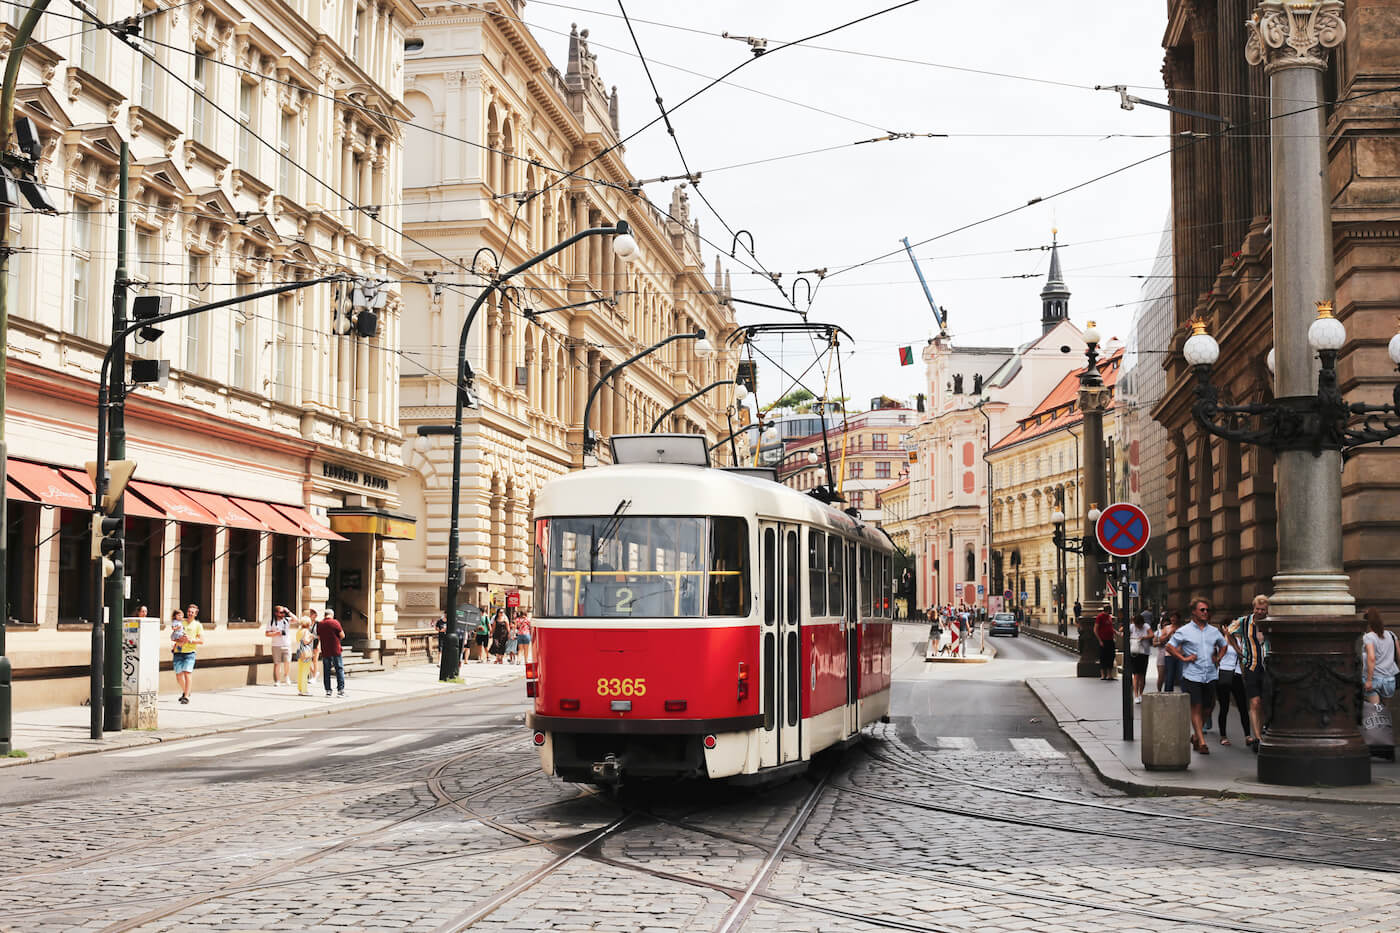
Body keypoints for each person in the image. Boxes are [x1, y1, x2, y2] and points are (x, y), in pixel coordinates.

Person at [1167, 597, 1228, 754]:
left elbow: (1224, 645)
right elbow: (1170, 646)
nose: (1205, 612)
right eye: (1202, 610)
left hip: (1210, 675)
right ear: (1194, 612)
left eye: (1207, 610)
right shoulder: (1184, 631)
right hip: (1192, 675)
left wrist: (1218, 658)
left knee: (1208, 708)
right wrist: (1183, 658)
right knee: (1197, 707)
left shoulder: (1213, 631)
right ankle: (1202, 742)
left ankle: (1195, 736)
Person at [1228, 595, 1269, 753]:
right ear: (1253, 608)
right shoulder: (1244, 622)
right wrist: (1238, 650)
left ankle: (1261, 730)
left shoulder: (1270, 621)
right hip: (1251, 666)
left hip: (1267, 667)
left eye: (1263, 609)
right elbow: (1228, 631)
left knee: (1264, 702)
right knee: (1255, 702)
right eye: (1257, 609)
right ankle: (1257, 737)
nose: (1260, 612)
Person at [1214, 616, 1250, 746]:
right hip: (1223, 674)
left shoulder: (1238, 640)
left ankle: (1247, 735)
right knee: (1224, 707)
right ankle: (1223, 736)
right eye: (1231, 625)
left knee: (1242, 706)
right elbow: (1215, 658)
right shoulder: (1218, 640)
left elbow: (1241, 654)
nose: (1234, 628)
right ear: (1224, 627)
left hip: (1236, 674)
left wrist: (1231, 638)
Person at [1362, 607, 1398, 706]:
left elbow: (1371, 658)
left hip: (1374, 679)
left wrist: (1369, 680)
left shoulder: (1368, 637)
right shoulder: (1391, 635)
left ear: (1367, 623)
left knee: (1375, 709)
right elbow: (1398, 655)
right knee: (1385, 710)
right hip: (1389, 679)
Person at [171, 607, 203, 704]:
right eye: (189, 611)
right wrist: (179, 640)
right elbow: (173, 636)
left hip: (190, 652)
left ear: (195, 614)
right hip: (178, 651)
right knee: (178, 675)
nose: (190, 613)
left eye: (192, 612)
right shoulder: (181, 622)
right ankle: (187, 691)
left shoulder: (198, 625)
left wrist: (190, 640)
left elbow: (201, 641)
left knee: (187, 673)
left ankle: (186, 697)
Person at [317, 609, 347, 697]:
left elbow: (319, 637)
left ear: (325, 615)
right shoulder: (335, 622)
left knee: (326, 671)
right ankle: (340, 691)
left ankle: (328, 691)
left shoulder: (320, 624)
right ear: (332, 615)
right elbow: (342, 635)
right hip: (335, 649)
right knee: (339, 669)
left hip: (325, 650)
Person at [265, 605, 293, 686]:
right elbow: (267, 634)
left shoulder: (286, 620)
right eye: (281, 612)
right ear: (276, 613)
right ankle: (277, 680)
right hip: (276, 645)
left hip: (287, 644)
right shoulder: (271, 622)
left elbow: (297, 620)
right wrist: (276, 633)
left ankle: (287, 676)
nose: (283, 614)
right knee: (277, 663)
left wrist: (288, 611)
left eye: (284, 612)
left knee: (287, 662)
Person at [1155, 610, 1182, 693]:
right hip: (1169, 655)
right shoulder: (1167, 628)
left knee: (1181, 675)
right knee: (1169, 676)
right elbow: (1161, 640)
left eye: (1175, 617)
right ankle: (1168, 694)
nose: (1173, 619)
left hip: (1181, 654)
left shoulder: (1183, 628)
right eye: (1172, 617)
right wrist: (1170, 633)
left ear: (1178, 619)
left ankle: (1184, 693)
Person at [1129, 611, 1153, 703]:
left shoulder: (1146, 626)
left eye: (1140, 625)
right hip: (1135, 652)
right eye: (1137, 625)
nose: (1138, 627)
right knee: (1136, 675)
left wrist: (1143, 637)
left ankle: (1141, 694)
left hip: (1144, 653)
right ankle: (1136, 695)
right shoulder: (1132, 626)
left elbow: (1152, 634)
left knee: (1142, 675)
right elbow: (1122, 630)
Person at [293, 617, 316, 696]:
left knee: (300, 671)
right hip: (306, 653)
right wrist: (311, 638)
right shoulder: (306, 631)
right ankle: (304, 690)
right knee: (305, 672)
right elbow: (305, 641)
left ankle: (300, 689)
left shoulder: (299, 631)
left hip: (300, 652)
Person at [1094, 608, 1117, 680]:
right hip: (1103, 640)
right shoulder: (1100, 617)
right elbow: (1095, 629)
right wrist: (1100, 640)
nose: (1110, 613)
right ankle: (1103, 675)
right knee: (1103, 657)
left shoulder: (1109, 617)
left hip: (1110, 639)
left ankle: (1109, 675)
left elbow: (1110, 628)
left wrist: (1116, 633)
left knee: (1111, 656)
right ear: (1106, 611)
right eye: (1109, 612)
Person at [306, 608, 321, 680]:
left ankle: (314, 677)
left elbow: (320, 635)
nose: (311, 616)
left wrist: (318, 645)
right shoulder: (307, 623)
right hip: (308, 643)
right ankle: (314, 672)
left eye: (313, 614)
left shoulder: (318, 624)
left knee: (315, 660)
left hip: (315, 642)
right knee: (306, 660)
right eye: (310, 614)